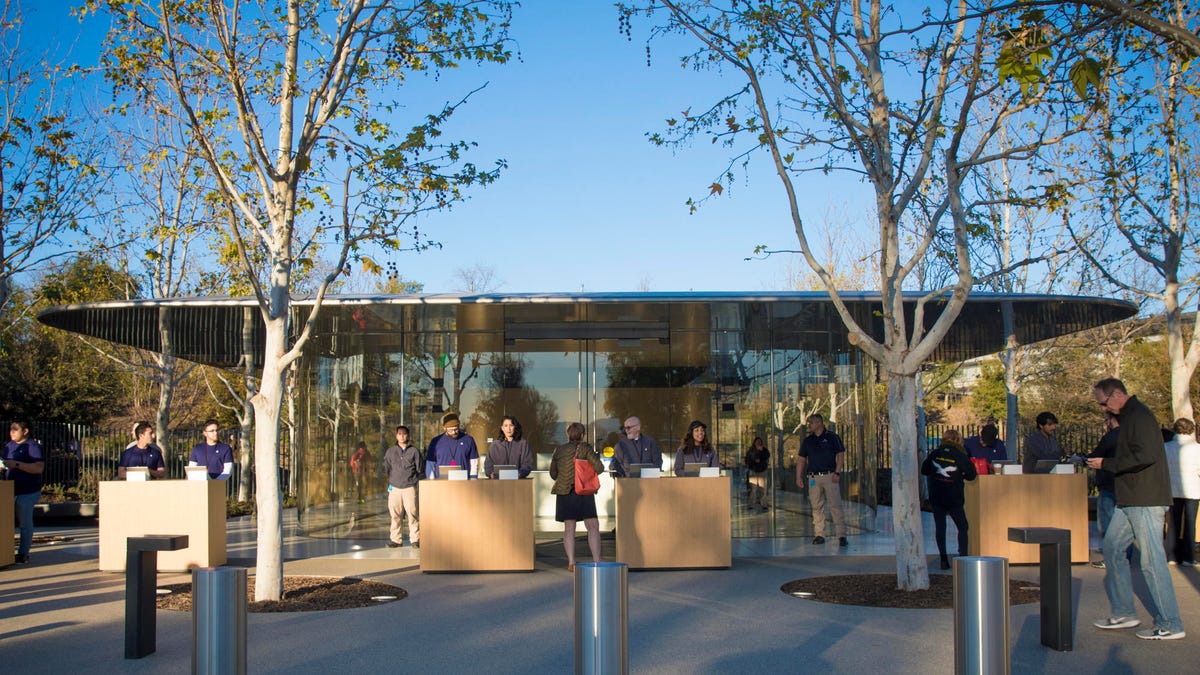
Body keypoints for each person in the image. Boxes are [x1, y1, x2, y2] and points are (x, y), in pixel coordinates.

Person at [1087, 378, 1185, 640]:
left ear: (1117, 394)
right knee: (1112, 548)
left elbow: (1146, 456)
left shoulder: (1140, 417)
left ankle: (1171, 623)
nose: (1104, 410)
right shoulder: (1131, 417)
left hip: (1144, 500)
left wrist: (1106, 463)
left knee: (1151, 562)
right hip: (1130, 499)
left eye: (1104, 404)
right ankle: (1124, 612)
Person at [549, 422, 605, 571]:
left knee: (569, 528)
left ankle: (572, 562)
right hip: (584, 491)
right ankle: (597, 561)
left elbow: (553, 473)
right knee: (592, 526)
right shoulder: (585, 448)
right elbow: (599, 468)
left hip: (565, 492)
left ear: (568, 435)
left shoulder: (559, 450)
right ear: (582, 435)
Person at [921, 429, 978, 570]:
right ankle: (963, 559)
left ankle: (943, 560)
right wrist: (960, 475)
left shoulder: (935, 453)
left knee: (940, 528)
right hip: (954, 497)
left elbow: (924, 469)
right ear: (958, 440)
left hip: (937, 496)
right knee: (962, 527)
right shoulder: (961, 455)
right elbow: (972, 476)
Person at [797, 413, 848, 547]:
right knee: (816, 506)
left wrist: (837, 472)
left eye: (811, 423)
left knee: (835, 505)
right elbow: (801, 459)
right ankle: (819, 534)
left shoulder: (832, 437)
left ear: (819, 423)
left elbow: (840, 454)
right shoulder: (808, 441)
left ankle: (841, 535)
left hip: (830, 475)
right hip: (814, 477)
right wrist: (799, 476)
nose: (809, 425)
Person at [3, 420, 45, 564]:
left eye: (15, 429)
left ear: (25, 431)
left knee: (24, 522)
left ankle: (23, 553)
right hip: (9, 490)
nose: (12, 432)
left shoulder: (33, 446)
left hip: (27, 491)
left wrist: (16, 464)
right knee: (7, 522)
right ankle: (7, 552)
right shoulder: (9, 446)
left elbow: (39, 468)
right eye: (11, 429)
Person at [1164, 417, 1200, 567]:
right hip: (1192, 489)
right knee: (1190, 523)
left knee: (1173, 522)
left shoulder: (1166, 447)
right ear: (1191, 430)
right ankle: (1188, 557)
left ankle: (1172, 556)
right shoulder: (1197, 448)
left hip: (1172, 489)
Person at [1087, 413, 1120, 569]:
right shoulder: (1131, 436)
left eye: (1106, 420)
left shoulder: (1110, 437)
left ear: (1112, 420)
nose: (1106, 423)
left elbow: (1095, 456)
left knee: (1107, 524)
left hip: (1107, 482)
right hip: (1124, 485)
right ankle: (1126, 555)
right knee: (1122, 524)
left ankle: (1110, 558)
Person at [382, 425, 422, 548]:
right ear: (396, 436)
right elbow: (386, 468)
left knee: (412, 513)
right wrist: (392, 480)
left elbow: (419, 468)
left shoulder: (414, 451)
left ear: (408, 436)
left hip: (409, 487)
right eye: (399, 434)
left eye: (404, 434)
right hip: (394, 487)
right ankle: (396, 540)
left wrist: (414, 481)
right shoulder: (390, 451)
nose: (402, 436)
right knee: (395, 514)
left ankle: (415, 539)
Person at [426, 412, 479, 479]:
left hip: (464, 482)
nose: (454, 432)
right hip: (441, 483)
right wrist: (431, 482)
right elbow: (430, 464)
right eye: (451, 430)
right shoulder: (435, 442)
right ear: (444, 428)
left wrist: (473, 479)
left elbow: (474, 463)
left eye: (456, 429)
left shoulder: (468, 440)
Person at [744, 436, 770, 512]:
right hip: (754, 471)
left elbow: (767, 455)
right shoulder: (751, 451)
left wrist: (761, 452)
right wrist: (753, 462)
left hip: (762, 471)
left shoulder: (764, 450)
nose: (758, 443)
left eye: (759, 442)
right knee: (753, 489)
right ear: (754, 443)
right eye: (757, 442)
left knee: (763, 489)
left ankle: (764, 504)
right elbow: (748, 460)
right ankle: (750, 505)